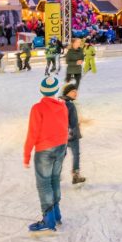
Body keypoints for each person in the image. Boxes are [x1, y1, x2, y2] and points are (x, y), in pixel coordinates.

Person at [24, 76, 69, 233]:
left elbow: (32, 133)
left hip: (45, 150)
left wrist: (26, 154)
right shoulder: (63, 106)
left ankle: (48, 220)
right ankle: (56, 214)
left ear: (42, 90)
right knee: (55, 180)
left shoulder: (38, 108)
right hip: (60, 148)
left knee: (44, 184)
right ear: (56, 90)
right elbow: (65, 128)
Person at [61, 83, 86, 184]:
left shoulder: (61, 102)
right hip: (71, 134)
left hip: (62, 134)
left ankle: (56, 174)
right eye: (73, 91)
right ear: (67, 92)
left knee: (62, 155)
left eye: (76, 91)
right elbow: (72, 121)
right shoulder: (70, 104)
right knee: (74, 154)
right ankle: (75, 175)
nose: (76, 93)